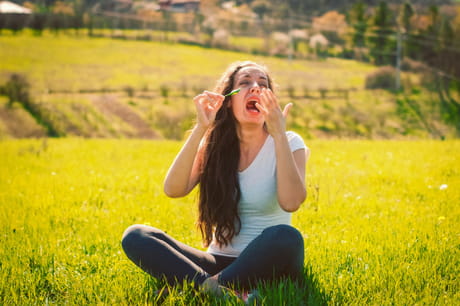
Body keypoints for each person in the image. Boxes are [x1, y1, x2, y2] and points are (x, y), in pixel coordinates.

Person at [121, 61, 310, 297]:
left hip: (269, 260)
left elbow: (291, 202)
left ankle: (197, 289)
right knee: (136, 236)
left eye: (263, 84)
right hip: (218, 261)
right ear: (228, 100)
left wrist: (278, 134)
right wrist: (201, 128)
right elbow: (173, 189)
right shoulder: (214, 146)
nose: (255, 87)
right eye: (245, 83)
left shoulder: (290, 142)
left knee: (286, 236)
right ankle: (218, 289)